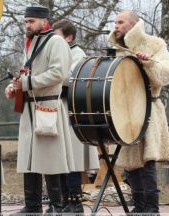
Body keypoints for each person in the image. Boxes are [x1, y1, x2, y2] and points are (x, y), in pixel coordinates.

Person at [5, 6, 75, 213]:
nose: (27, 25)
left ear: (44, 22)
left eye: (31, 21)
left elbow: (58, 74)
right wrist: (15, 86)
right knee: (29, 158)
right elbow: (27, 73)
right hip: (29, 107)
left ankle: (56, 206)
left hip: (47, 106)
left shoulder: (56, 42)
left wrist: (27, 83)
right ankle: (32, 206)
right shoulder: (31, 42)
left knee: (50, 157)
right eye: (26, 21)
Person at [107, 11, 169, 213]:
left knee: (147, 160)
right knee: (130, 163)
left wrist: (148, 63)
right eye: (115, 22)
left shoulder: (154, 44)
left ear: (133, 24)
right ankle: (139, 207)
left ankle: (152, 208)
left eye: (120, 22)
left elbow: (168, 73)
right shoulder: (117, 50)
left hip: (148, 109)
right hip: (124, 113)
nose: (116, 26)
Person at [52, 19, 100, 213]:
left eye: (56, 37)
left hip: (71, 110)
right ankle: (63, 202)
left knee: (71, 159)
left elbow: (66, 77)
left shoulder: (77, 54)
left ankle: (75, 204)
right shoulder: (60, 53)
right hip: (59, 109)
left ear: (69, 37)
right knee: (61, 158)